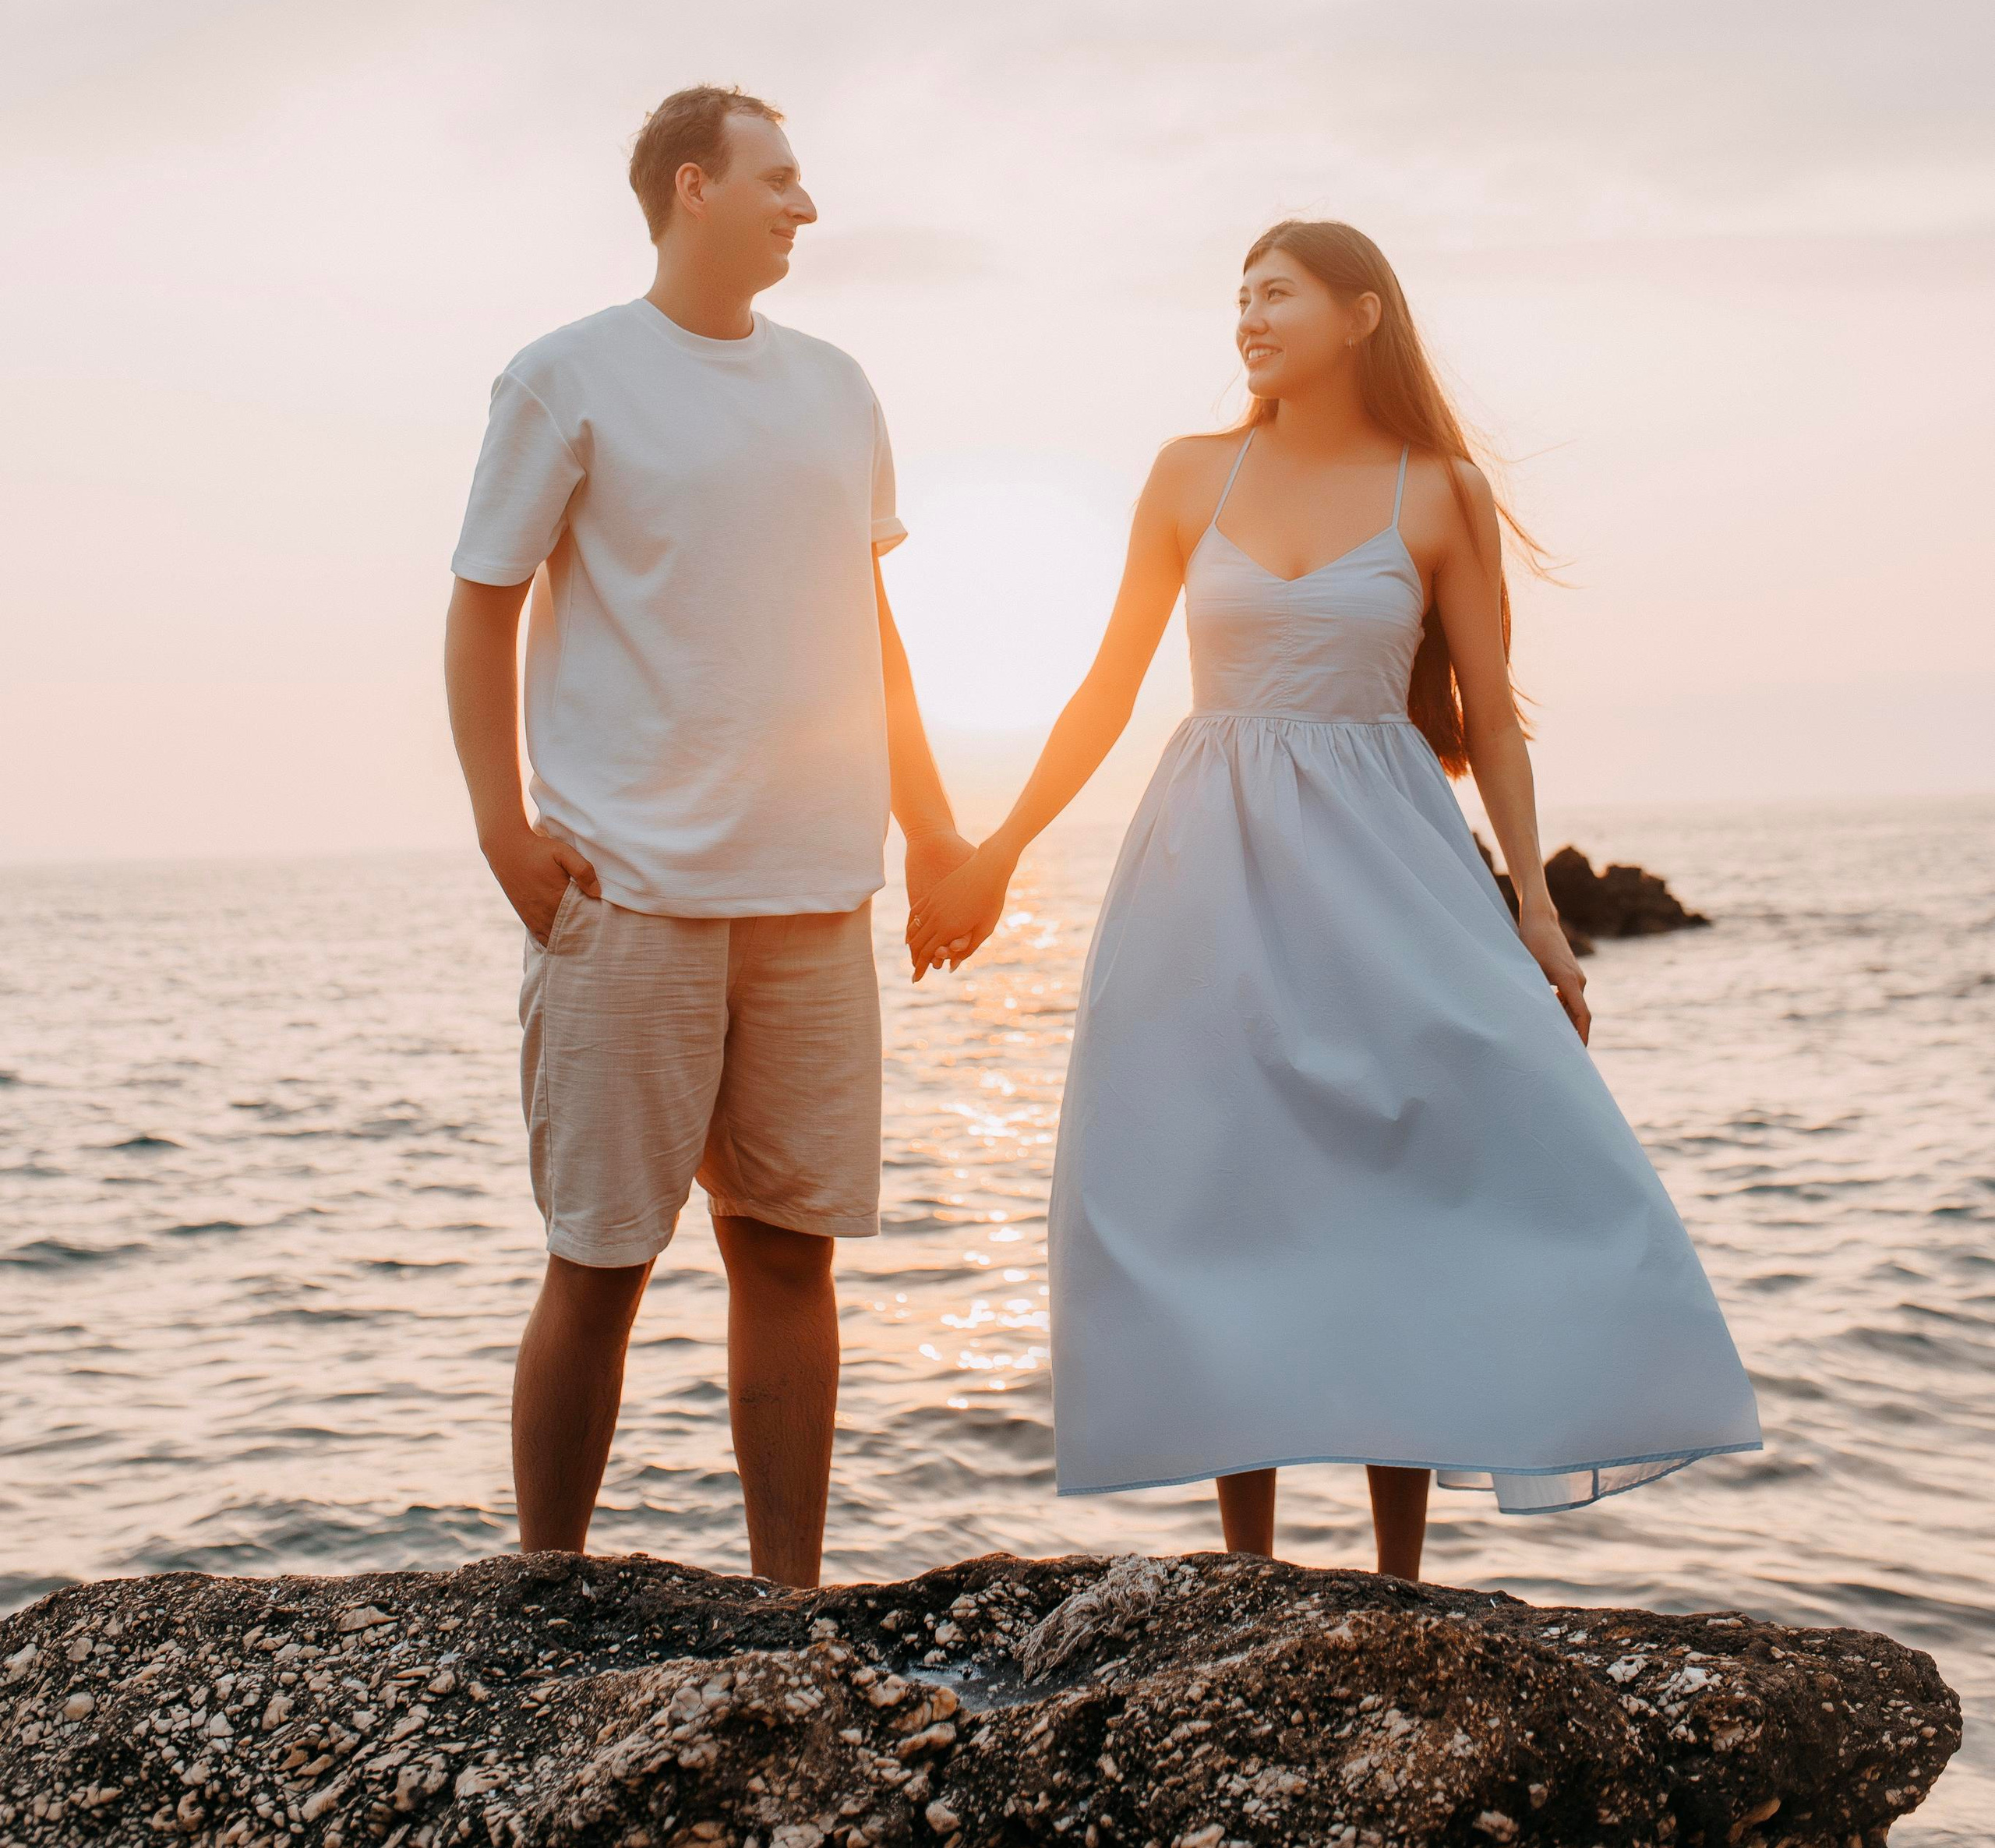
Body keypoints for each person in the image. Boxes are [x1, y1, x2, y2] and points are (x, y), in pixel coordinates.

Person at [909, 218, 1760, 1576]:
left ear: (1361, 313)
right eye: (1238, 296)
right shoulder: (1190, 474)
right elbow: (1108, 687)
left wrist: (1535, 911)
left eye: (1278, 294)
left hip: (1387, 857)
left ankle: (1399, 1575)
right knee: (1221, 1176)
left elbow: (1495, 717)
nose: (1248, 317)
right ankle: (1243, 1568)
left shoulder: (1440, 491)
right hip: (1207, 859)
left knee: (1405, 1172)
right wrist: (1002, 846)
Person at [446, 83, 970, 1584]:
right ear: (693, 187)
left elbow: (873, 634)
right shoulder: (567, 377)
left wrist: (933, 833)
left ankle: (785, 1607)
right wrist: (504, 827)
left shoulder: (838, 387)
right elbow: (481, 602)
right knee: (601, 1261)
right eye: (780, 179)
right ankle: (545, 1592)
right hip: (630, 892)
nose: (806, 207)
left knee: (792, 1258)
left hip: (816, 890)